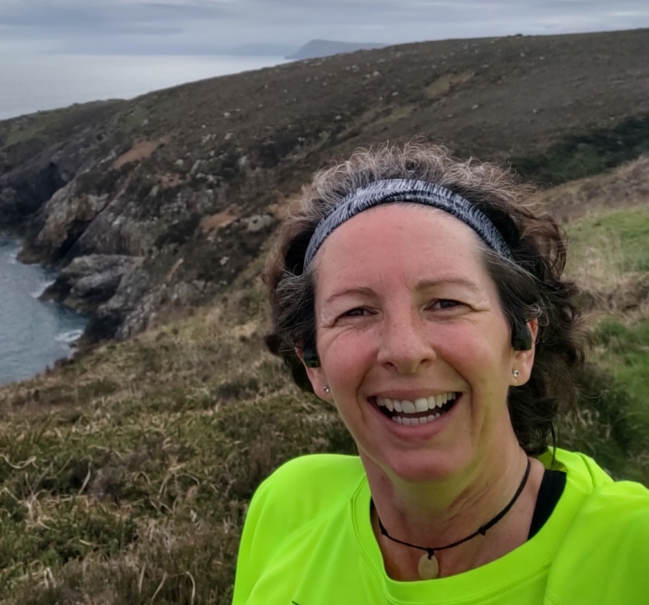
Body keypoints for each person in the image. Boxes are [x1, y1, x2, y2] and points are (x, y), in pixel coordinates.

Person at [233, 141, 649, 604]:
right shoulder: (287, 506)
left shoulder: (634, 552)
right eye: (355, 312)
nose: (405, 351)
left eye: (446, 303)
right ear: (313, 363)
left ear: (522, 344)